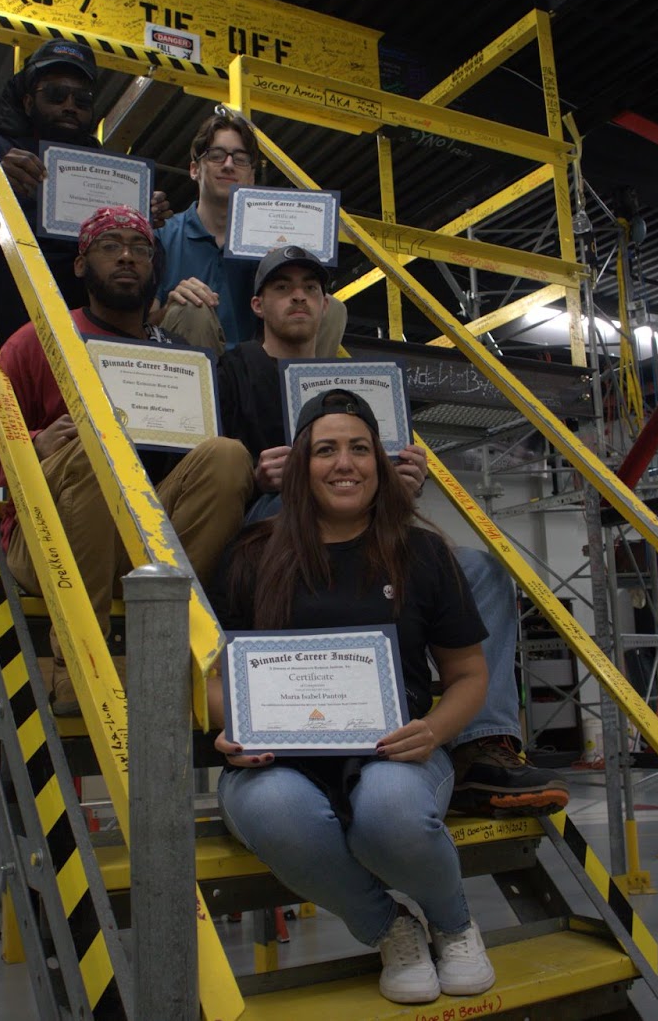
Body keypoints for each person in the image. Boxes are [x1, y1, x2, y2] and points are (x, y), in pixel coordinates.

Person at [216, 245, 569, 817]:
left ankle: (483, 744)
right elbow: (213, 465)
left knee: (479, 567)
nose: (299, 295)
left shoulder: (360, 379)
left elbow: (380, 479)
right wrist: (257, 474)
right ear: (258, 304)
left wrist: (401, 480)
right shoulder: (234, 367)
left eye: (311, 285)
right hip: (274, 518)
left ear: (327, 303)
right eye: (283, 287)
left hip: (363, 522)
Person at [209, 389, 497, 1005]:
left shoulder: (421, 551)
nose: (345, 463)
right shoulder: (252, 553)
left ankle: (453, 923)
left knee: (388, 813)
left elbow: (469, 673)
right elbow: (214, 675)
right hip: (276, 761)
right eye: (326, 450)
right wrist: (229, 726)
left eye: (360, 448)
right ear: (300, 467)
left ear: (381, 464)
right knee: (272, 809)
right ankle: (390, 928)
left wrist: (436, 730)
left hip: (395, 753)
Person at [0, 206, 252, 713]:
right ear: (80, 266)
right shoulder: (41, 339)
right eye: (109, 245)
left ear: (154, 268)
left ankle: (170, 645)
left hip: (139, 536)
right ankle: (82, 666)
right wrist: (35, 443)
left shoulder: (176, 355)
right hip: (48, 536)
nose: (126, 257)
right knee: (96, 442)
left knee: (228, 457)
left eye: (140, 249)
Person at [0, 38, 172, 349]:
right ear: (29, 102)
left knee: (146, 244)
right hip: (6, 315)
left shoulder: (107, 168)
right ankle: (18, 355)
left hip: (81, 310)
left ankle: (120, 346)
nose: (69, 106)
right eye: (56, 95)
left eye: (81, 100)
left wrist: (140, 216)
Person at [154, 111, 347, 357]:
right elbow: (143, 322)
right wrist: (172, 305)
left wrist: (283, 270)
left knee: (331, 309)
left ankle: (298, 391)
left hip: (253, 369)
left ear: (252, 177)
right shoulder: (162, 236)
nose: (228, 164)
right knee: (192, 308)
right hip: (192, 369)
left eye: (241, 158)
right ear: (194, 169)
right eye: (216, 155)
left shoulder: (270, 240)